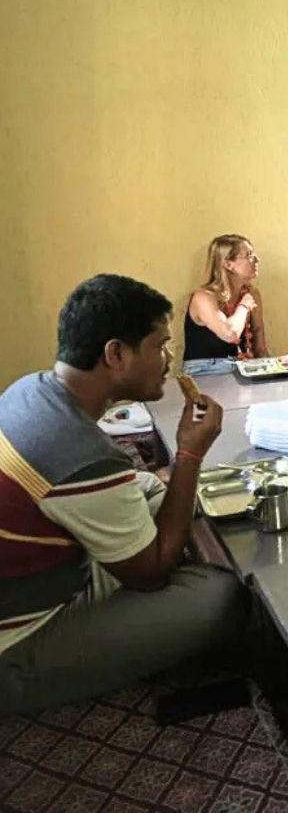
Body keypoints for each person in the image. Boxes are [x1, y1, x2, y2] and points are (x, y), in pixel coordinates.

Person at [0, 274, 247, 715]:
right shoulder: (80, 453)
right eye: (159, 346)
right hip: (18, 642)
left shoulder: (30, 389)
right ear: (115, 354)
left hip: (46, 575)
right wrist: (189, 452)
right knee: (222, 594)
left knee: (150, 486)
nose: (169, 359)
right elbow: (148, 574)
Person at [183, 234, 269, 375]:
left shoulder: (252, 294)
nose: (256, 259)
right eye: (248, 255)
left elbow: (258, 339)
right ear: (228, 264)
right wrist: (244, 306)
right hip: (204, 370)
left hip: (242, 367)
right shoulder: (203, 297)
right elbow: (230, 334)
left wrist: (268, 371)